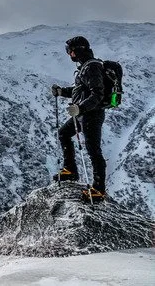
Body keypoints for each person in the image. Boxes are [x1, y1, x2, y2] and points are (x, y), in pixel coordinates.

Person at [50, 36, 106, 202]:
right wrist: (61, 92)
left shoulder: (92, 67)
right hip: (83, 114)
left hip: (91, 115)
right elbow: (80, 90)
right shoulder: (86, 67)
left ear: (79, 49)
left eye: (71, 50)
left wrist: (80, 108)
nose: (70, 54)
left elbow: (97, 94)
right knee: (64, 134)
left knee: (93, 150)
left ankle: (98, 189)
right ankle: (70, 170)